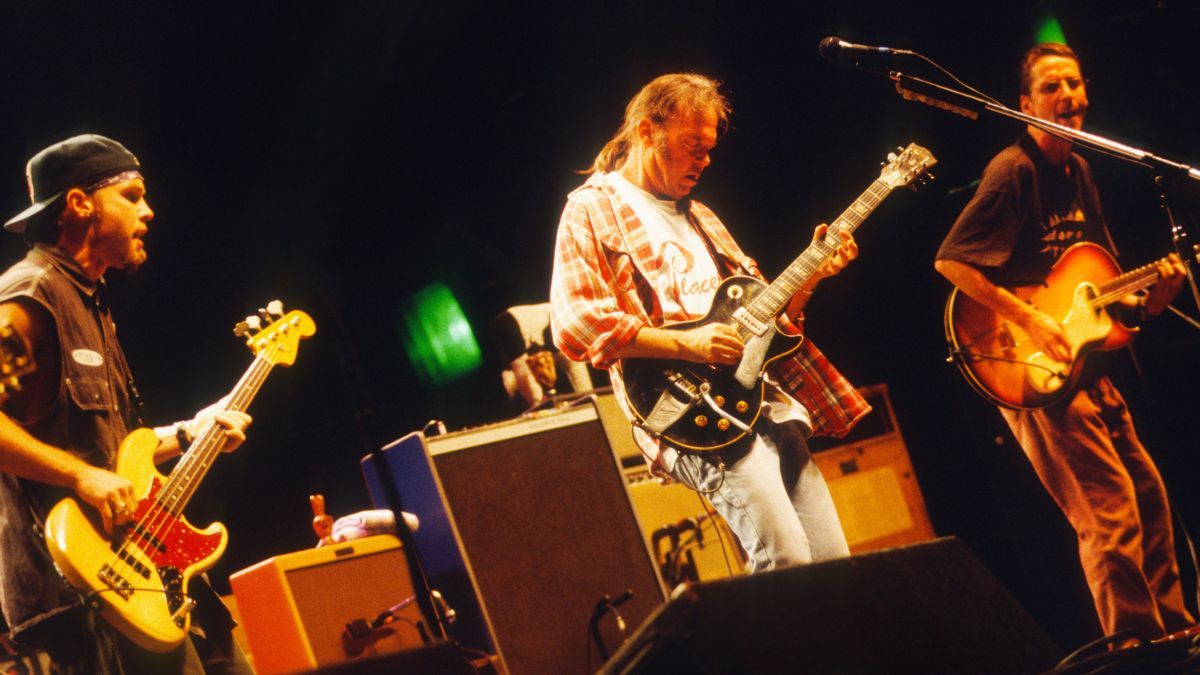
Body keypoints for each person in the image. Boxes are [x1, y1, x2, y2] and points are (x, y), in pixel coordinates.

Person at [550, 73, 870, 571]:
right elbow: (577, 324)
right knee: (784, 558)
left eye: (709, 149)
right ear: (645, 131)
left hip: (761, 399)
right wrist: (690, 347)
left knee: (833, 562)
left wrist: (814, 273)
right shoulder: (591, 209)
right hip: (689, 410)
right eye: (691, 146)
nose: (704, 161)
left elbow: (770, 318)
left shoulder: (703, 217)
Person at [934, 43, 1194, 640]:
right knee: (1108, 513)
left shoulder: (1079, 171)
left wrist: (1154, 298)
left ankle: (1177, 635)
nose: (1068, 96)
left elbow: (1099, 282)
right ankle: (1136, 646)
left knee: (1148, 496)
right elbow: (953, 261)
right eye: (1052, 87)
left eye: (1074, 84)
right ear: (1026, 104)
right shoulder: (1014, 169)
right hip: (1031, 364)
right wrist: (1030, 321)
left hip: (1085, 361)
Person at [0, 134, 254, 673]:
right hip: (83, 594)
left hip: (146, 579)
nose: (149, 211)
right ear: (79, 204)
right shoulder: (31, 292)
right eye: (133, 196)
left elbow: (114, 456)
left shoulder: (91, 303)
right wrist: (78, 477)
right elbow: (88, 471)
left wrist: (191, 430)